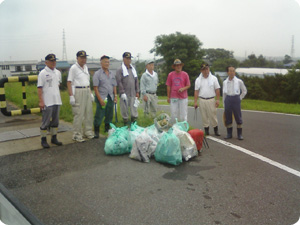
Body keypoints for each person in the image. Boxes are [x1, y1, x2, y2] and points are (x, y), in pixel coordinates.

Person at [67, 50, 94, 142]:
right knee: (79, 113)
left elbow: (87, 81)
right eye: (81, 58)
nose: (83, 59)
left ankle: (88, 131)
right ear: (77, 58)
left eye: (85, 58)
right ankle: (77, 134)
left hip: (86, 89)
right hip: (78, 91)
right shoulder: (73, 68)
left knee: (88, 112)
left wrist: (90, 93)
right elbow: (69, 82)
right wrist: (71, 95)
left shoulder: (86, 67)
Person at [37, 53, 62, 148]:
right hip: (47, 101)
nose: (53, 63)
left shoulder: (58, 72)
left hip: (57, 100)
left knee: (55, 121)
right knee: (45, 121)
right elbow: (39, 88)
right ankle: (43, 140)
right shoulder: (42, 73)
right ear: (46, 62)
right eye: (51, 61)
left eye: (54, 61)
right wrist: (41, 101)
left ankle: (54, 138)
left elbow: (58, 84)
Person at [93, 55, 117, 138]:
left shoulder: (111, 73)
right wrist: (100, 99)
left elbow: (114, 85)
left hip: (110, 97)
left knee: (109, 114)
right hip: (101, 97)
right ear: (101, 63)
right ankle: (96, 131)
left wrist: (116, 96)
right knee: (99, 115)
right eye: (105, 62)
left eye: (108, 62)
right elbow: (95, 88)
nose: (107, 64)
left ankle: (107, 129)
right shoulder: (97, 74)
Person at [194, 63, 221, 136]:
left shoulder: (214, 78)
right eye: (204, 69)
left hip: (211, 99)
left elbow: (217, 89)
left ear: (209, 69)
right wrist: (195, 102)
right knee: (204, 116)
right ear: (201, 71)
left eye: (207, 69)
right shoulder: (198, 80)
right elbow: (196, 91)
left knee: (213, 115)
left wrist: (218, 100)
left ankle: (216, 130)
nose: (206, 71)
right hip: (202, 100)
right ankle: (206, 130)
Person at [223, 66, 247, 140]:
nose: (232, 72)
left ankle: (239, 134)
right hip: (228, 99)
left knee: (238, 116)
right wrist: (224, 103)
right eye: (230, 71)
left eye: (233, 71)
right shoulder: (225, 82)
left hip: (236, 98)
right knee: (228, 117)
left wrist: (239, 98)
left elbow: (244, 91)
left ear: (235, 72)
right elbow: (223, 93)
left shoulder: (239, 81)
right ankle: (229, 134)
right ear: (227, 72)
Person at [116, 52, 140, 126]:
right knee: (124, 109)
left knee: (134, 108)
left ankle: (133, 123)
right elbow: (119, 81)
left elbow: (136, 80)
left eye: (129, 59)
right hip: (124, 93)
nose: (129, 60)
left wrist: (137, 91)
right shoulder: (120, 69)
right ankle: (125, 123)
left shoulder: (133, 69)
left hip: (132, 92)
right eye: (127, 59)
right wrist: (122, 92)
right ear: (123, 59)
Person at [166, 59, 191, 123]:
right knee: (173, 114)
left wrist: (183, 89)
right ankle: (174, 128)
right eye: (177, 65)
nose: (178, 67)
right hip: (173, 97)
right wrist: (168, 97)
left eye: (180, 65)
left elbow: (188, 85)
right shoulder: (170, 75)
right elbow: (168, 86)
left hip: (183, 97)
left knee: (183, 114)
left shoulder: (185, 74)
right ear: (174, 67)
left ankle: (184, 128)